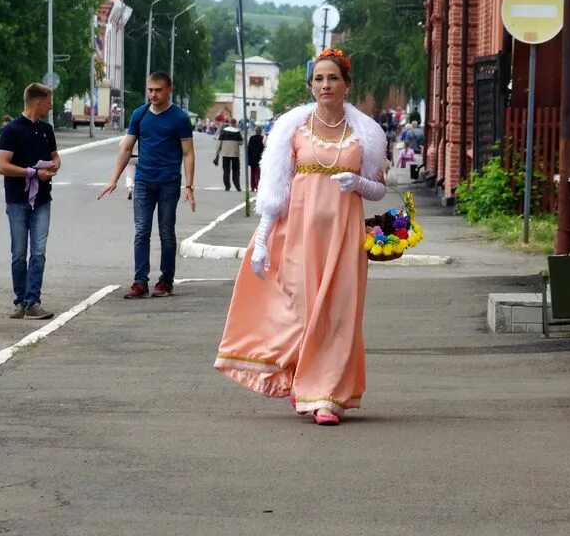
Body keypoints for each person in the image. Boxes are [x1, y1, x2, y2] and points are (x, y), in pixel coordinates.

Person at [214, 48, 388, 426]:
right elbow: (274, 192)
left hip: (344, 237)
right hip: (299, 236)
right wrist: (262, 240)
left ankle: (328, 398)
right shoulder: (291, 129)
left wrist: (358, 182)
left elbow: (378, 189)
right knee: (304, 313)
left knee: (339, 315)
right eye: (319, 79)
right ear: (311, 85)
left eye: (333, 78)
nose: (326, 85)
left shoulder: (367, 133)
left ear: (347, 84)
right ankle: (302, 380)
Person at [98, 71, 196, 299]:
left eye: (158, 90)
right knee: (141, 231)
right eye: (150, 89)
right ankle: (140, 281)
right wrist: (114, 179)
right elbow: (126, 147)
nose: (153, 94)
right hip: (143, 181)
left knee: (166, 232)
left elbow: (188, 153)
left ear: (169, 90)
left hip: (169, 182)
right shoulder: (140, 115)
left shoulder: (179, 118)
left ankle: (165, 280)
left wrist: (189, 187)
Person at [0, 83, 60, 319]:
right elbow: (3, 166)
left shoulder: (46, 130)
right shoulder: (11, 130)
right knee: (19, 253)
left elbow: (55, 156)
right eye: (49, 101)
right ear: (38, 102)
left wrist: (55, 165)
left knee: (39, 252)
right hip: (17, 199)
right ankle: (20, 301)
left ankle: (33, 301)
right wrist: (32, 173)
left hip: (42, 199)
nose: (51, 105)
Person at [214, 118, 243, 192]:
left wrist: (217, 154)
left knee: (226, 171)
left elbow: (219, 143)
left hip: (225, 153)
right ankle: (237, 186)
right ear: (235, 123)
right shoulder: (237, 132)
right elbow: (241, 143)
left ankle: (227, 186)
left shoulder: (224, 131)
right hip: (235, 154)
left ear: (230, 123)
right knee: (236, 171)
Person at [246, 125, 265, 193]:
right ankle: (257, 186)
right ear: (261, 131)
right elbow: (264, 149)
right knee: (258, 173)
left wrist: (249, 158)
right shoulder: (262, 138)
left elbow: (249, 149)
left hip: (252, 158)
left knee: (252, 173)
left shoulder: (252, 138)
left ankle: (252, 186)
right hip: (259, 158)